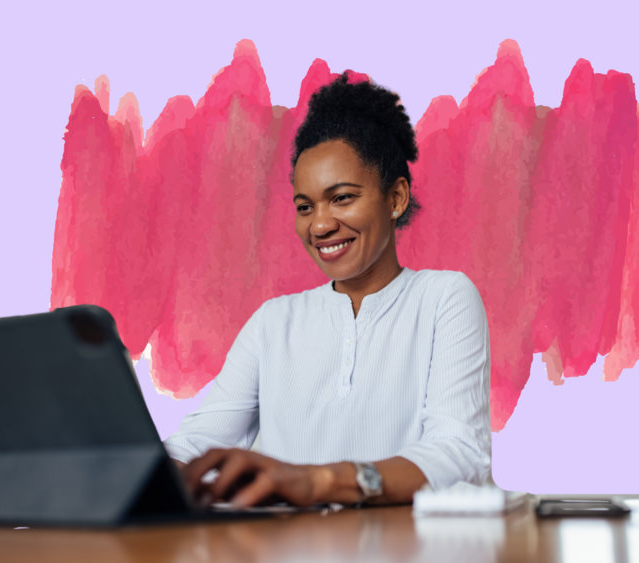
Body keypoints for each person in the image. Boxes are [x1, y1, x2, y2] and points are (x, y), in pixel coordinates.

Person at [163, 74, 491, 508]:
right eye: (305, 207)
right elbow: (196, 444)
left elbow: (458, 454)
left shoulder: (444, 299)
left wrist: (320, 481)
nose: (319, 225)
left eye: (341, 198)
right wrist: (128, 473)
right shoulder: (274, 322)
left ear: (395, 198)